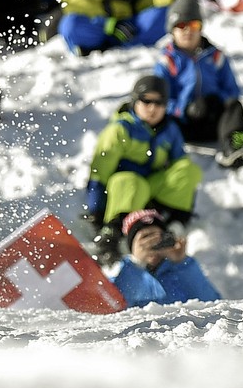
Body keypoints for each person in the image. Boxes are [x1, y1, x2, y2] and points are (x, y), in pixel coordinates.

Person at [81, 76, 201, 264]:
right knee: (130, 181)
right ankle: (112, 233)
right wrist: (96, 212)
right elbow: (99, 173)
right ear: (135, 101)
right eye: (146, 101)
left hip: (151, 192)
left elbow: (180, 166)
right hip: (121, 193)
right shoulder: (120, 130)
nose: (152, 108)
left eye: (159, 102)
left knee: (189, 169)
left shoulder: (170, 130)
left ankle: (172, 226)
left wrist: (186, 204)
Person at [154, 0, 243, 168]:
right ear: (172, 30)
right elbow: (160, 99)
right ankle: (161, 154)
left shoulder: (215, 56)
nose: (188, 31)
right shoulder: (167, 62)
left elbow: (233, 90)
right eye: (181, 26)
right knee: (157, 118)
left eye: (193, 25)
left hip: (214, 122)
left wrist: (216, 102)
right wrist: (183, 109)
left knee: (235, 107)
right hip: (183, 125)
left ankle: (238, 148)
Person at [109, 209, 221, 307]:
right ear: (132, 248)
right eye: (144, 239)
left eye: (157, 238)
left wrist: (182, 263)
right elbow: (115, 305)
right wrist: (136, 264)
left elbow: (212, 303)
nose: (152, 244)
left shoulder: (180, 272)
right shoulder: (125, 275)